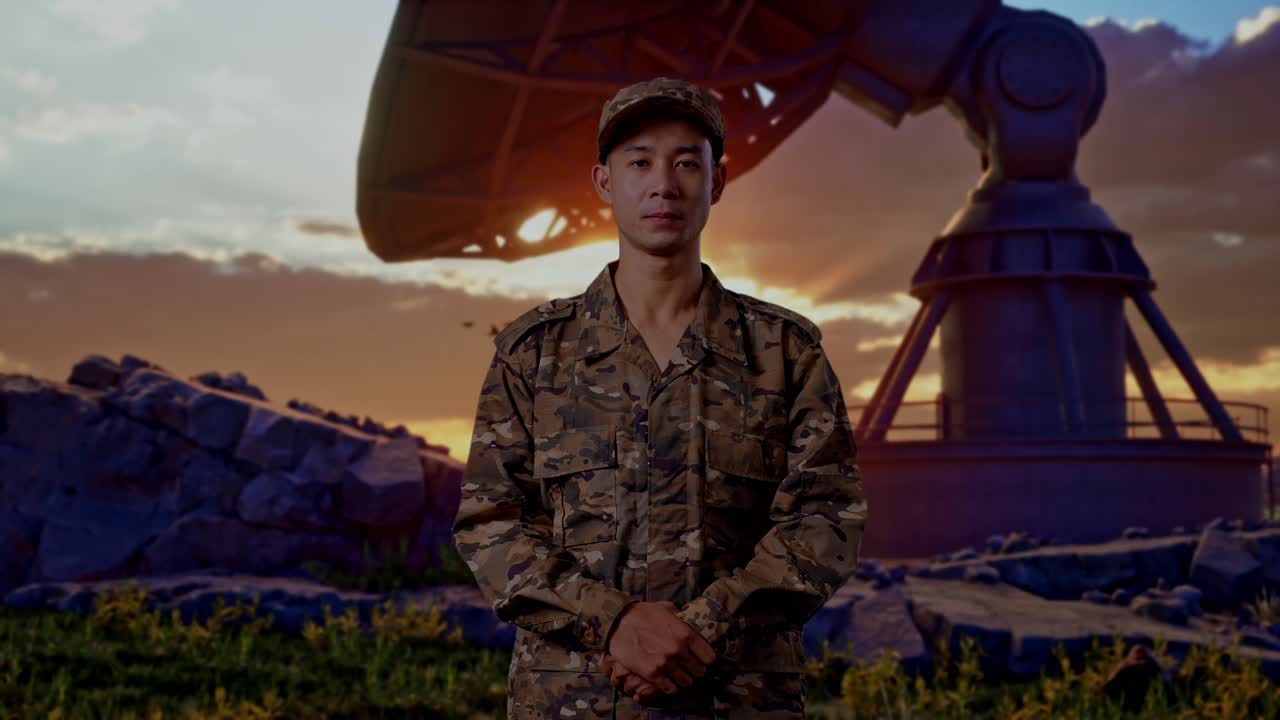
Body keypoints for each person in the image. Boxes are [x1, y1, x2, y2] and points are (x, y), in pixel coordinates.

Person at [452, 76, 868, 719]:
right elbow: (492, 524)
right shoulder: (533, 356)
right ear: (603, 183)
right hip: (573, 700)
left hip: (738, 699)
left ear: (717, 182)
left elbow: (824, 520)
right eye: (639, 162)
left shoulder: (785, 353)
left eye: (685, 163)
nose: (663, 185)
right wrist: (613, 624)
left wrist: (700, 628)